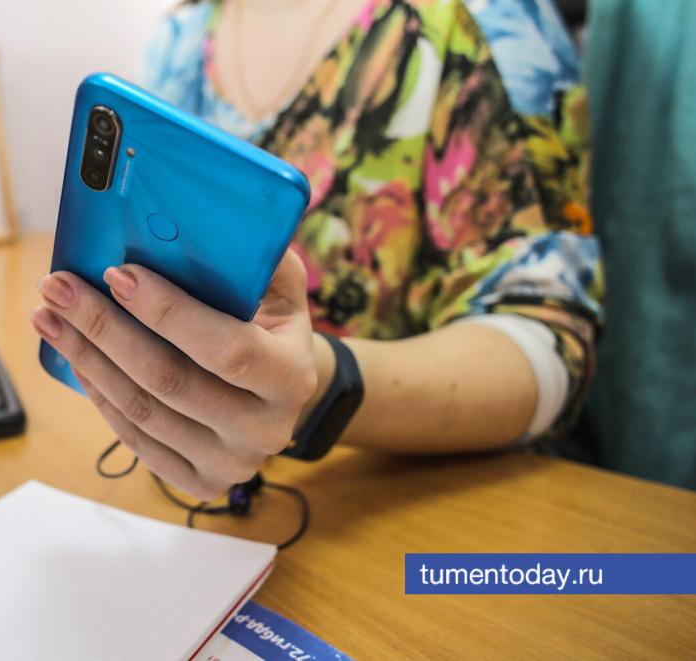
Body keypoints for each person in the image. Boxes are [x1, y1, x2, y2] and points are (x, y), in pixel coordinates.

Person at [30, 0, 603, 500]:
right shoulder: (182, 38)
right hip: (219, 508)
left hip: (429, 507)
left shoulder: (481, 21)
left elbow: (552, 344)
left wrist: (324, 390)